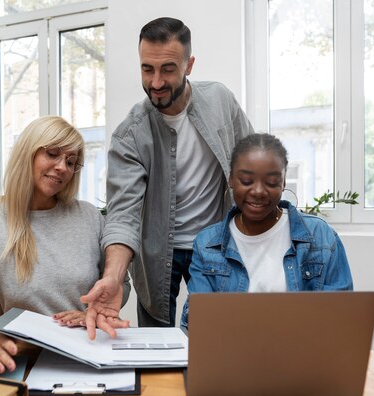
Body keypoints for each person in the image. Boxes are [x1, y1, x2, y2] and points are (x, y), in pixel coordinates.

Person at [81, 17, 254, 337]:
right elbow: (123, 214)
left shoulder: (220, 100)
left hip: (214, 242)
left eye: (168, 69)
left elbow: (250, 158)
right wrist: (113, 276)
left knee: (218, 335)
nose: (156, 82)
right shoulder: (130, 135)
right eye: (147, 69)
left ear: (189, 65)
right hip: (157, 253)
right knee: (156, 344)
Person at [0, 116, 130, 375]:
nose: (62, 167)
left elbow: (120, 285)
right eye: (52, 154)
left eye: (71, 162)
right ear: (27, 152)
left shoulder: (89, 217)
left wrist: (91, 314)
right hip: (24, 360)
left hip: (90, 355)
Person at [180, 133, 354, 329]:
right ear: (230, 179)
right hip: (233, 356)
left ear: (283, 182)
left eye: (271, 183)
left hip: (305, 355)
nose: (258, 191)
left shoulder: (320, 236)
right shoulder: (207, 244)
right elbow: (200, 325)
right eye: (246, 181)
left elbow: (340, 318)